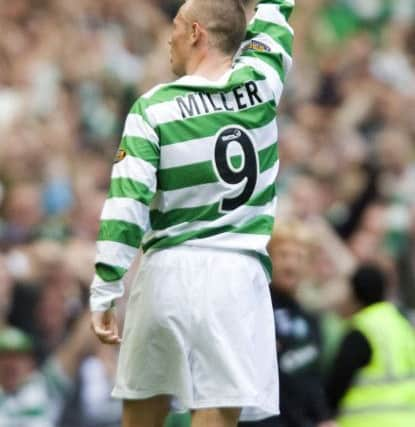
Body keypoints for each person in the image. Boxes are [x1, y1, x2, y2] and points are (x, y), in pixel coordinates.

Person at [89, 1, 295, 426]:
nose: (170, 36)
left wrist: (106, 286)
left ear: (197, 33)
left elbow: (126, 205)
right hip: (234, 278)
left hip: (165, 273)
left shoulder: (154, 109)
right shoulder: (262, 81)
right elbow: (276, 11)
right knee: (215, 412)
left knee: (141, 415)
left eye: (177, 26)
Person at [240, 221, 337, 427]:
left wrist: (324, 418)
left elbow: (311, 378)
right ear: (269, 259)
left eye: (299, 257)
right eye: (283, 255)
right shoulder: (252, 311)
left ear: (309, 265)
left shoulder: (311, 320)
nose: (290, 265)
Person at [326, 264, 415, 427]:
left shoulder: (362, 329)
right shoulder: (401, 323)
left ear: (354, 293)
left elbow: (336, 385)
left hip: (368, 421)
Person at [0, 314, 91, 427]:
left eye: (18, 358)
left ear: (30, 363)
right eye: (5, 357)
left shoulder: (45, 387)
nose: (11, 365)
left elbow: (77, 345)